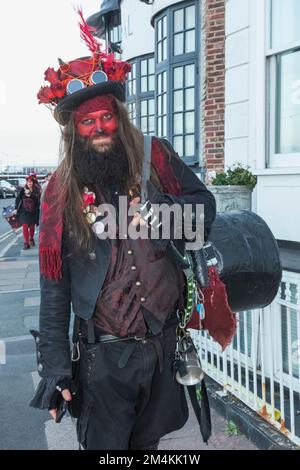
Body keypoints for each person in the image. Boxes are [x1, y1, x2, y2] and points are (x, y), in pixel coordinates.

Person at [30, 11, 216, 450]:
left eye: (106, 118)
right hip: (103, 359)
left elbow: (205, 212)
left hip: (160, 346)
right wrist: (57, 371)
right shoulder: (59, 189)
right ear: (75, 130)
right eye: (87, 122)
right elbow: (54, 288)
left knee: (149, 446)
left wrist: (163, 209)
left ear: (119, 116)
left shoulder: (156, 157)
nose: (99, 129)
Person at [15, 175, 40, 249]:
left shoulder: (36, 190)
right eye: (28, 182)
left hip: (33, 211)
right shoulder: (23, 190)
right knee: (25, 226)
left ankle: (31, 238)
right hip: (24, 211)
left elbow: (38, 201)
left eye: (31, 182)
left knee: (32, 227)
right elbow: (18, 199)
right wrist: (16, 208)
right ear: (27, 182)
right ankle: (26, 242)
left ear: (33, 182)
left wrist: (31, 194)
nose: (29, 183)